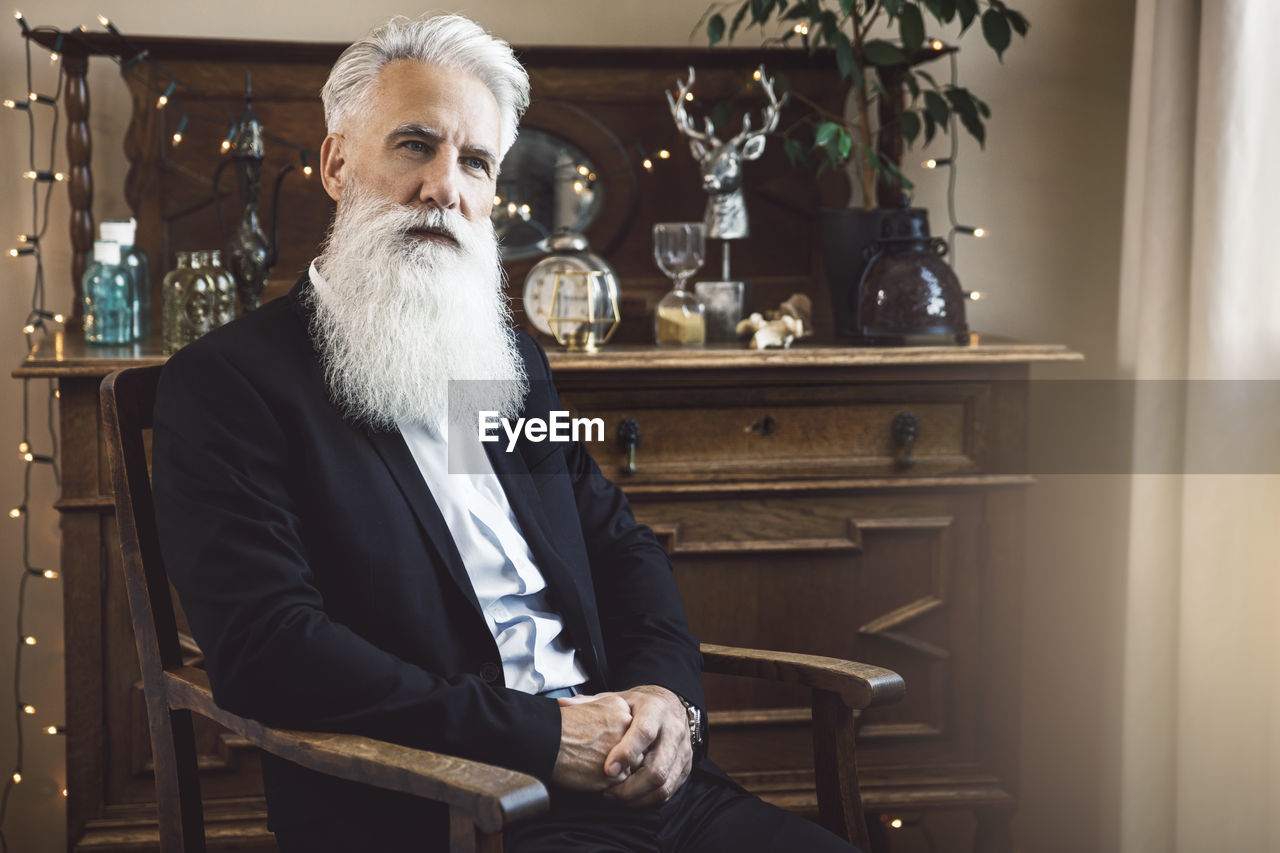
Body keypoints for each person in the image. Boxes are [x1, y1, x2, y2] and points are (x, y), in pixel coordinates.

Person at [151, 14, 857, 852]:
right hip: (452, 805)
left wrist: (669, 700)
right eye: (415, 144)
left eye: (475, 162)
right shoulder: (235, 384)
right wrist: (545, 736)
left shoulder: (497, 363)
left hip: (644, 780)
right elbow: (272, 649)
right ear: (337, 163)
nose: (444, 187)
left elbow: (620, 547)